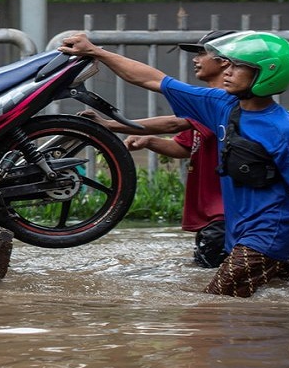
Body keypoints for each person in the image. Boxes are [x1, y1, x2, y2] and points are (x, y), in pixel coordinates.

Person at [59, 30, 289, 297]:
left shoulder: (285, 131)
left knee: (211, 308)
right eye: (227, 65)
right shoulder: (221, 104)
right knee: (280, 299)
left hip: (265, 238)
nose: (227, 72)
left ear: (266, 74)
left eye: (237, 67)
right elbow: (152, 80)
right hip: (241, 237)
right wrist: (97, 53)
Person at [80, 31, 233, 268]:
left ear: (226, 60)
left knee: (217, 296)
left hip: (224, 217)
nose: (195, 59)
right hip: (216, 218)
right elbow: (183, 147)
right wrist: (150, 141)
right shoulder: (210, 107)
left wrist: (110, 124)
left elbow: (172, 120)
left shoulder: (224, 100)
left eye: (202, 53)